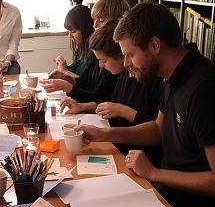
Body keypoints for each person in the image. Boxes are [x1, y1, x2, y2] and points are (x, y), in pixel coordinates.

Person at [78, 2, 215, 207]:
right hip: (168, 196)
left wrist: (154, 172)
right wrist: (104, 134)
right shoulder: (171, 76)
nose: (126, 63)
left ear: (154, 46)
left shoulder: (207, 90)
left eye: (130, 54)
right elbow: (158, 129)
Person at [59, 20, 161, 164]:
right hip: (120, 145)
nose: (101, 65)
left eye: (104, 60)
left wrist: (123, 111)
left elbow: (156, 130)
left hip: (139, 155)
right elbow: (113, 100)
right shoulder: (125, 74)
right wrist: (82, 106)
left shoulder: (150, 79)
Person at [41, 0, 132, 103]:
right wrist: (68, 78)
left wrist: (68, 86)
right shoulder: (97, 51)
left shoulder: (115, 59)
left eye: (101, 20)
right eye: (94, 20)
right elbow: (87, 83)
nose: (94, 25)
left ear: (117, 24)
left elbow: (99, 97)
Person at [52, 5, 95, 78]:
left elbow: (85, 82)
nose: (70, 36)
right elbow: (75, 70)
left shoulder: (94, 54)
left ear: (86, 30)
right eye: (69, 31)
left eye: (73, 31)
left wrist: (65, 71)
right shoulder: (81, 48)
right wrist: (64, 67)